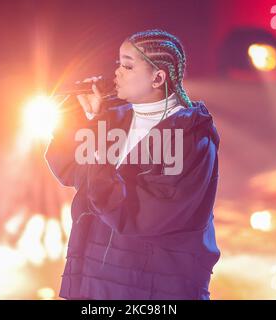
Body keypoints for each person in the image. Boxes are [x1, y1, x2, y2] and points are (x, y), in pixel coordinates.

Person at [45, 29, 220, 300]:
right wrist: (85, 117)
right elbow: (70, 170)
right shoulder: (115, 120)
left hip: (155, 290)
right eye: (118, 64)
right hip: (98, 283)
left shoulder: (191, 138)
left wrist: (100, 132)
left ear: (158, 77)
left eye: (127, 66)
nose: (117, 73)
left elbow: (143, 215)